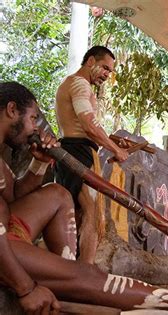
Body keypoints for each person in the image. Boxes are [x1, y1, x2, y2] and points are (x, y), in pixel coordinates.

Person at [0, 81, 168, 314]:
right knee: (86, 273)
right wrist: (26, 289)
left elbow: (12, 197)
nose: (35, 127)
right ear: (12, 110)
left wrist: (39, 162)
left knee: (58, 193)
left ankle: (68, 281)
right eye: (33, 118)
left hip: (10, 231)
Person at [54, 46, 129, 263]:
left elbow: (85, 125)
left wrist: (112, 140)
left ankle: (71, 270)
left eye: (110, 71)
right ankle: (85, 274)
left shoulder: (72, 84)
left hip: (74, 150)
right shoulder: (79, 84)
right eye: (105, 67)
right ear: (90, 62)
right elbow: (88, 125)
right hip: (77, 152)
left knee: (76, 213)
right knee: (92, 214)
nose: (107, 74)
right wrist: (117, 150)